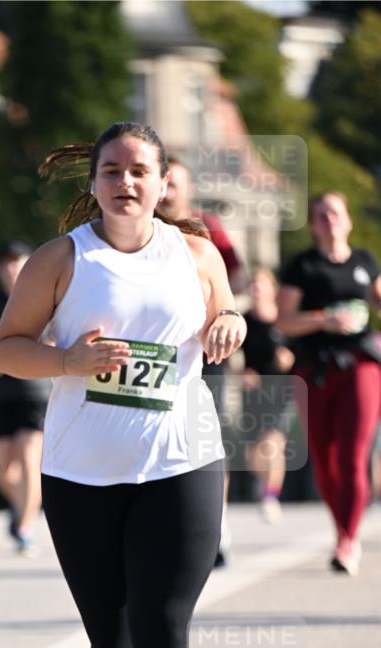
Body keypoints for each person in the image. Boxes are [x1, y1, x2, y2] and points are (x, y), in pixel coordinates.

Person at [0, 121, 245, 648]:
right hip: (81, 475)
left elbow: (223, 313)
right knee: (113, 640)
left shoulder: (194, 253)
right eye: (111, 171)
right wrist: (69, 363)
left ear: (164, 181)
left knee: (164, 628)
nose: (125, 183)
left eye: (140, 170)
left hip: (180, 463)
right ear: (93, 182)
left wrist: (228, 322)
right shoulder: (60, 261)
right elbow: (8, 351)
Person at [278, 191, 381, 575]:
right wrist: (322, 320)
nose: (329, 219)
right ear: (313, 225)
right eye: (321, 214)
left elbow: (378, 299)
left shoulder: (365, 262)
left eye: (335, 212)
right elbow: (283, 320)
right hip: (315, 369)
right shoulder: (302, 266)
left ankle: (347, 540)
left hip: (361, 365)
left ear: (348, 220)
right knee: (324, 458)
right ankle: (342, 527)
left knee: (354, 455)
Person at [163, 156, 247, 566]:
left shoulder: (207, 232)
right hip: (156, 359)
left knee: (205, 440)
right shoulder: (125, 235)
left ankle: (216, 526)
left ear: (187, 189)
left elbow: (236, 284)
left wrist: (225, 318)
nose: (165, 192)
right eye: (161, 183)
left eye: (173, 184)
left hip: (206, 353)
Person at [0, 240, 49, 555]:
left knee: (29, 461)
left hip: (34, 392)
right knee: (3, 474)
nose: (10, 267)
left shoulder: (43, 298)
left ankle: (24, 529)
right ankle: (22, 504)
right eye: (5, 261)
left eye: (17, 260)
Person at [241, 268, 295, 523]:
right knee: (254, 451)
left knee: (274, 442)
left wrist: (290, 359)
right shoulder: (244, 320)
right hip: (253, 390)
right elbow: (231, 354)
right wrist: (241, 371)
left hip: (282, 390)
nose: (257, 289)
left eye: (261, 284)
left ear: (273, 289)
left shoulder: (283, 320)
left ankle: (270, 496)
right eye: (253, 284)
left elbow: (299, 348)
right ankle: (264, 484)